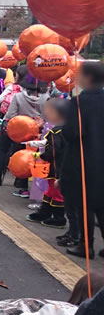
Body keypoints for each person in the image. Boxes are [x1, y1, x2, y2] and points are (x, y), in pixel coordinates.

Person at [60, 61, 104, 259]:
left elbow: (70, 133)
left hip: (82, 161)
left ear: (87, 78)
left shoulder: (78, 103)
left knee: (83, 203)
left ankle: (86, 245)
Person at [0, 74, 48, 192]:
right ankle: (21, 182)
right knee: (25, 155)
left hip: (16, 129)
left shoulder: (18, 96)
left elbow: (10, 115)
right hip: (34, 131)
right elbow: (46, 116)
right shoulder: (45, 98)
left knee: (3, 150)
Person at [26, 97, 68, 228]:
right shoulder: (66, 130)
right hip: (60, 167)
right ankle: (45, 212)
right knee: (50, 191)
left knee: (57, 193)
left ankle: (59, 218)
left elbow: (53, 152)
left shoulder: (57, 132)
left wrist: (40, 155)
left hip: (57, 169)